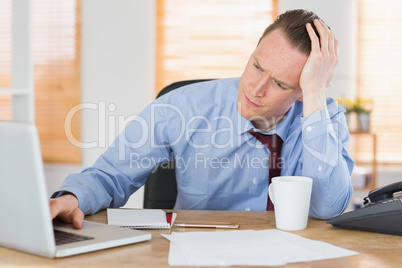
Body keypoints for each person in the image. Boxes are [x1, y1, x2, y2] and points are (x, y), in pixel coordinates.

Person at [50, 9, 354, 229]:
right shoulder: (183, 107)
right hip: (196, 255)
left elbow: (328, 206)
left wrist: (315, 93)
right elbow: (110, 175)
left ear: (302, 91)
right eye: (257, 66)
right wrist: (72, 196)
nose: (255, 88)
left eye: (280, 84)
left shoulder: (322, 120)